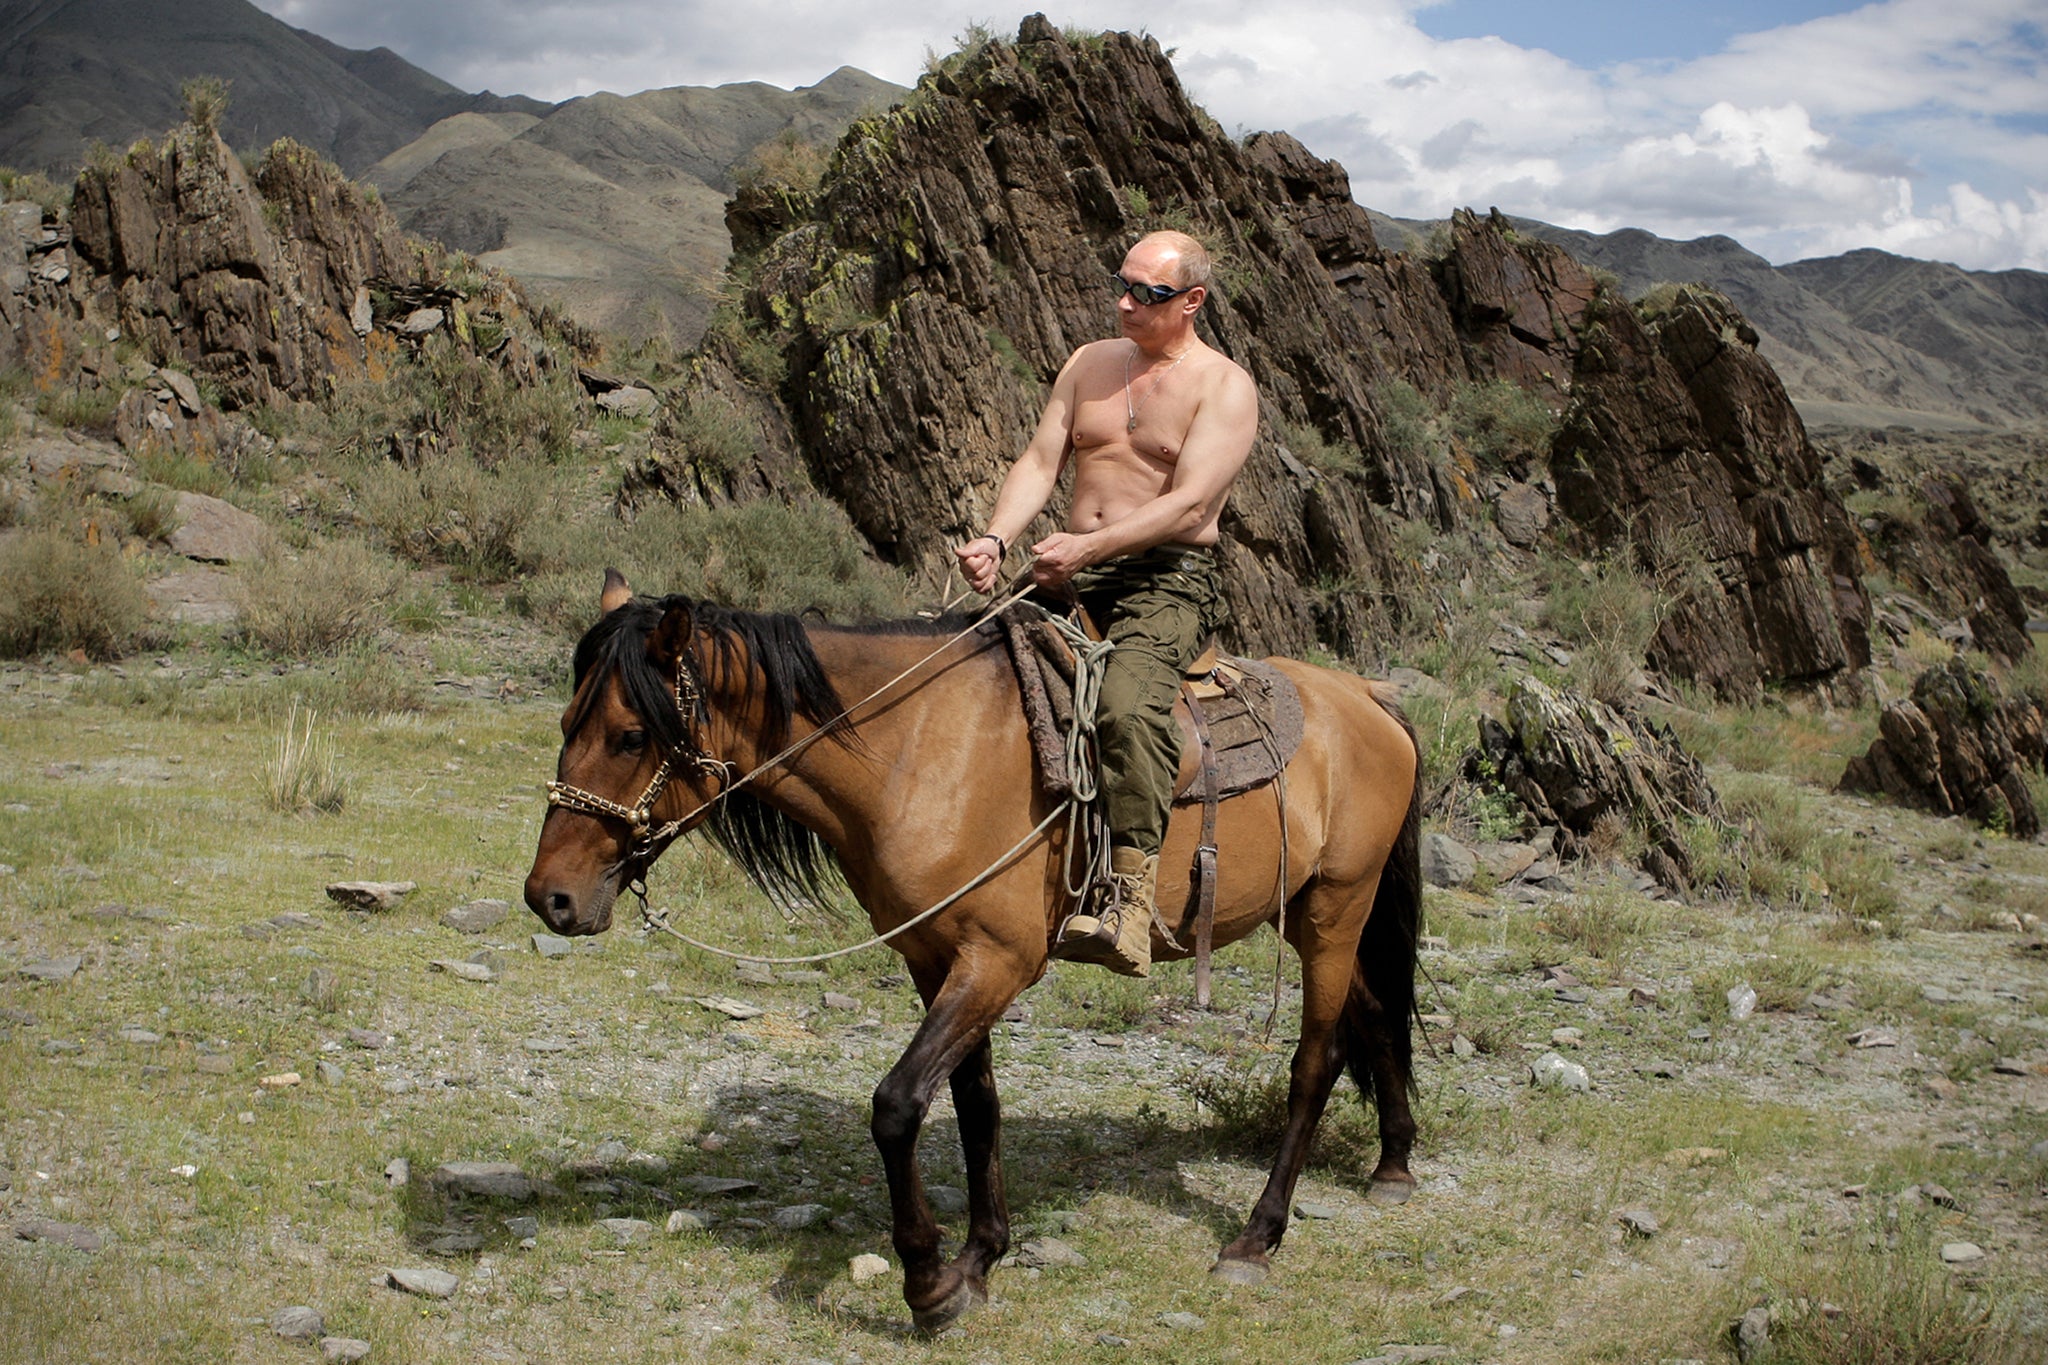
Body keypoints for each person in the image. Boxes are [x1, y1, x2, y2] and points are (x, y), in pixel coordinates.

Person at [955, 229, 1258, 977]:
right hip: (1073, 569)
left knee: (1126, 704)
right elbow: (1039, 459)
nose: (1125, 303)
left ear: (1192, 301)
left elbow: (1190, 507)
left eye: (1146, 294)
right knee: (962, 660)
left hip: (1168, 577)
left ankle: (1129, 902)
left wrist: (1088, 548)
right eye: (1120, 285)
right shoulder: (1089, 363)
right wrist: (997, 537)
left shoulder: (1225, 388)